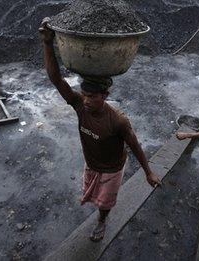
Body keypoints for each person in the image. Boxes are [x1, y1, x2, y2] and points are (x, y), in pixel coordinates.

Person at [39, 17, 161, 241]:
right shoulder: (79, 106)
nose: (86, 100)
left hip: (112, 169)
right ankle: (100, 211)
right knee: (93, 194)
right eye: (84, 95)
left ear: (105, 96)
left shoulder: (118, 121)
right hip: (92, 163)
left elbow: (135, 146)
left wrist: (148, 172)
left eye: (92, 97)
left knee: (105, 203)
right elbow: (56, 79)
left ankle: (102, 221)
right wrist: (48, 43)